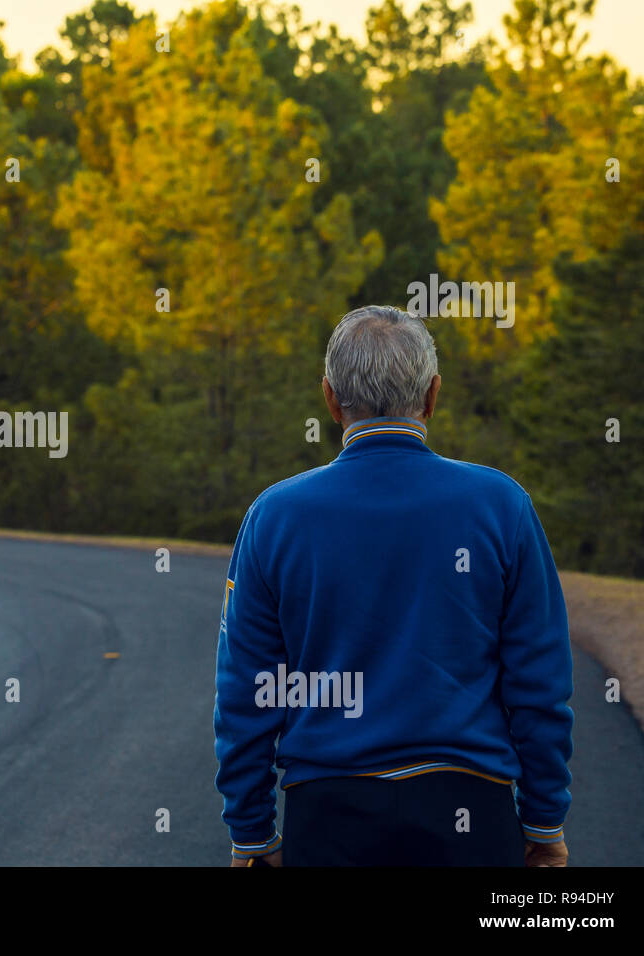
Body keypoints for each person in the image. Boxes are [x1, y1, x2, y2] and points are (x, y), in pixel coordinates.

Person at [214, 305, 574, 867]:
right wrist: (544, 819)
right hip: (471, 812)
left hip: (329, 811)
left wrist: (252, 832)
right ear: (432, 396)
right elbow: (539, 678)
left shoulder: (275, 516)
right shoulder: (501, 504)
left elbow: (248, 688)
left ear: (331, 399)